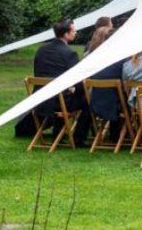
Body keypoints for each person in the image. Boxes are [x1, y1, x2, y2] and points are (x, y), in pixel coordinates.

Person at [32, 18, 93, 146]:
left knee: (67, 94)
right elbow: (79, 80)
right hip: (57, 101)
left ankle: (58, 134)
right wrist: (81, 89)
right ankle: (78, 139)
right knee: (89, 100)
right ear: (66, 34)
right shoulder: (69, 53)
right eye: (73, 31)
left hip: (40, 99)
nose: (75, 33)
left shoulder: (41, 50)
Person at [85, 25, 126, 143]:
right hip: (113, 104)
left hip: (95, 102)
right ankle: (121, 136)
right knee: (128, 100)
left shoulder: (97, 58)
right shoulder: (120, 59)